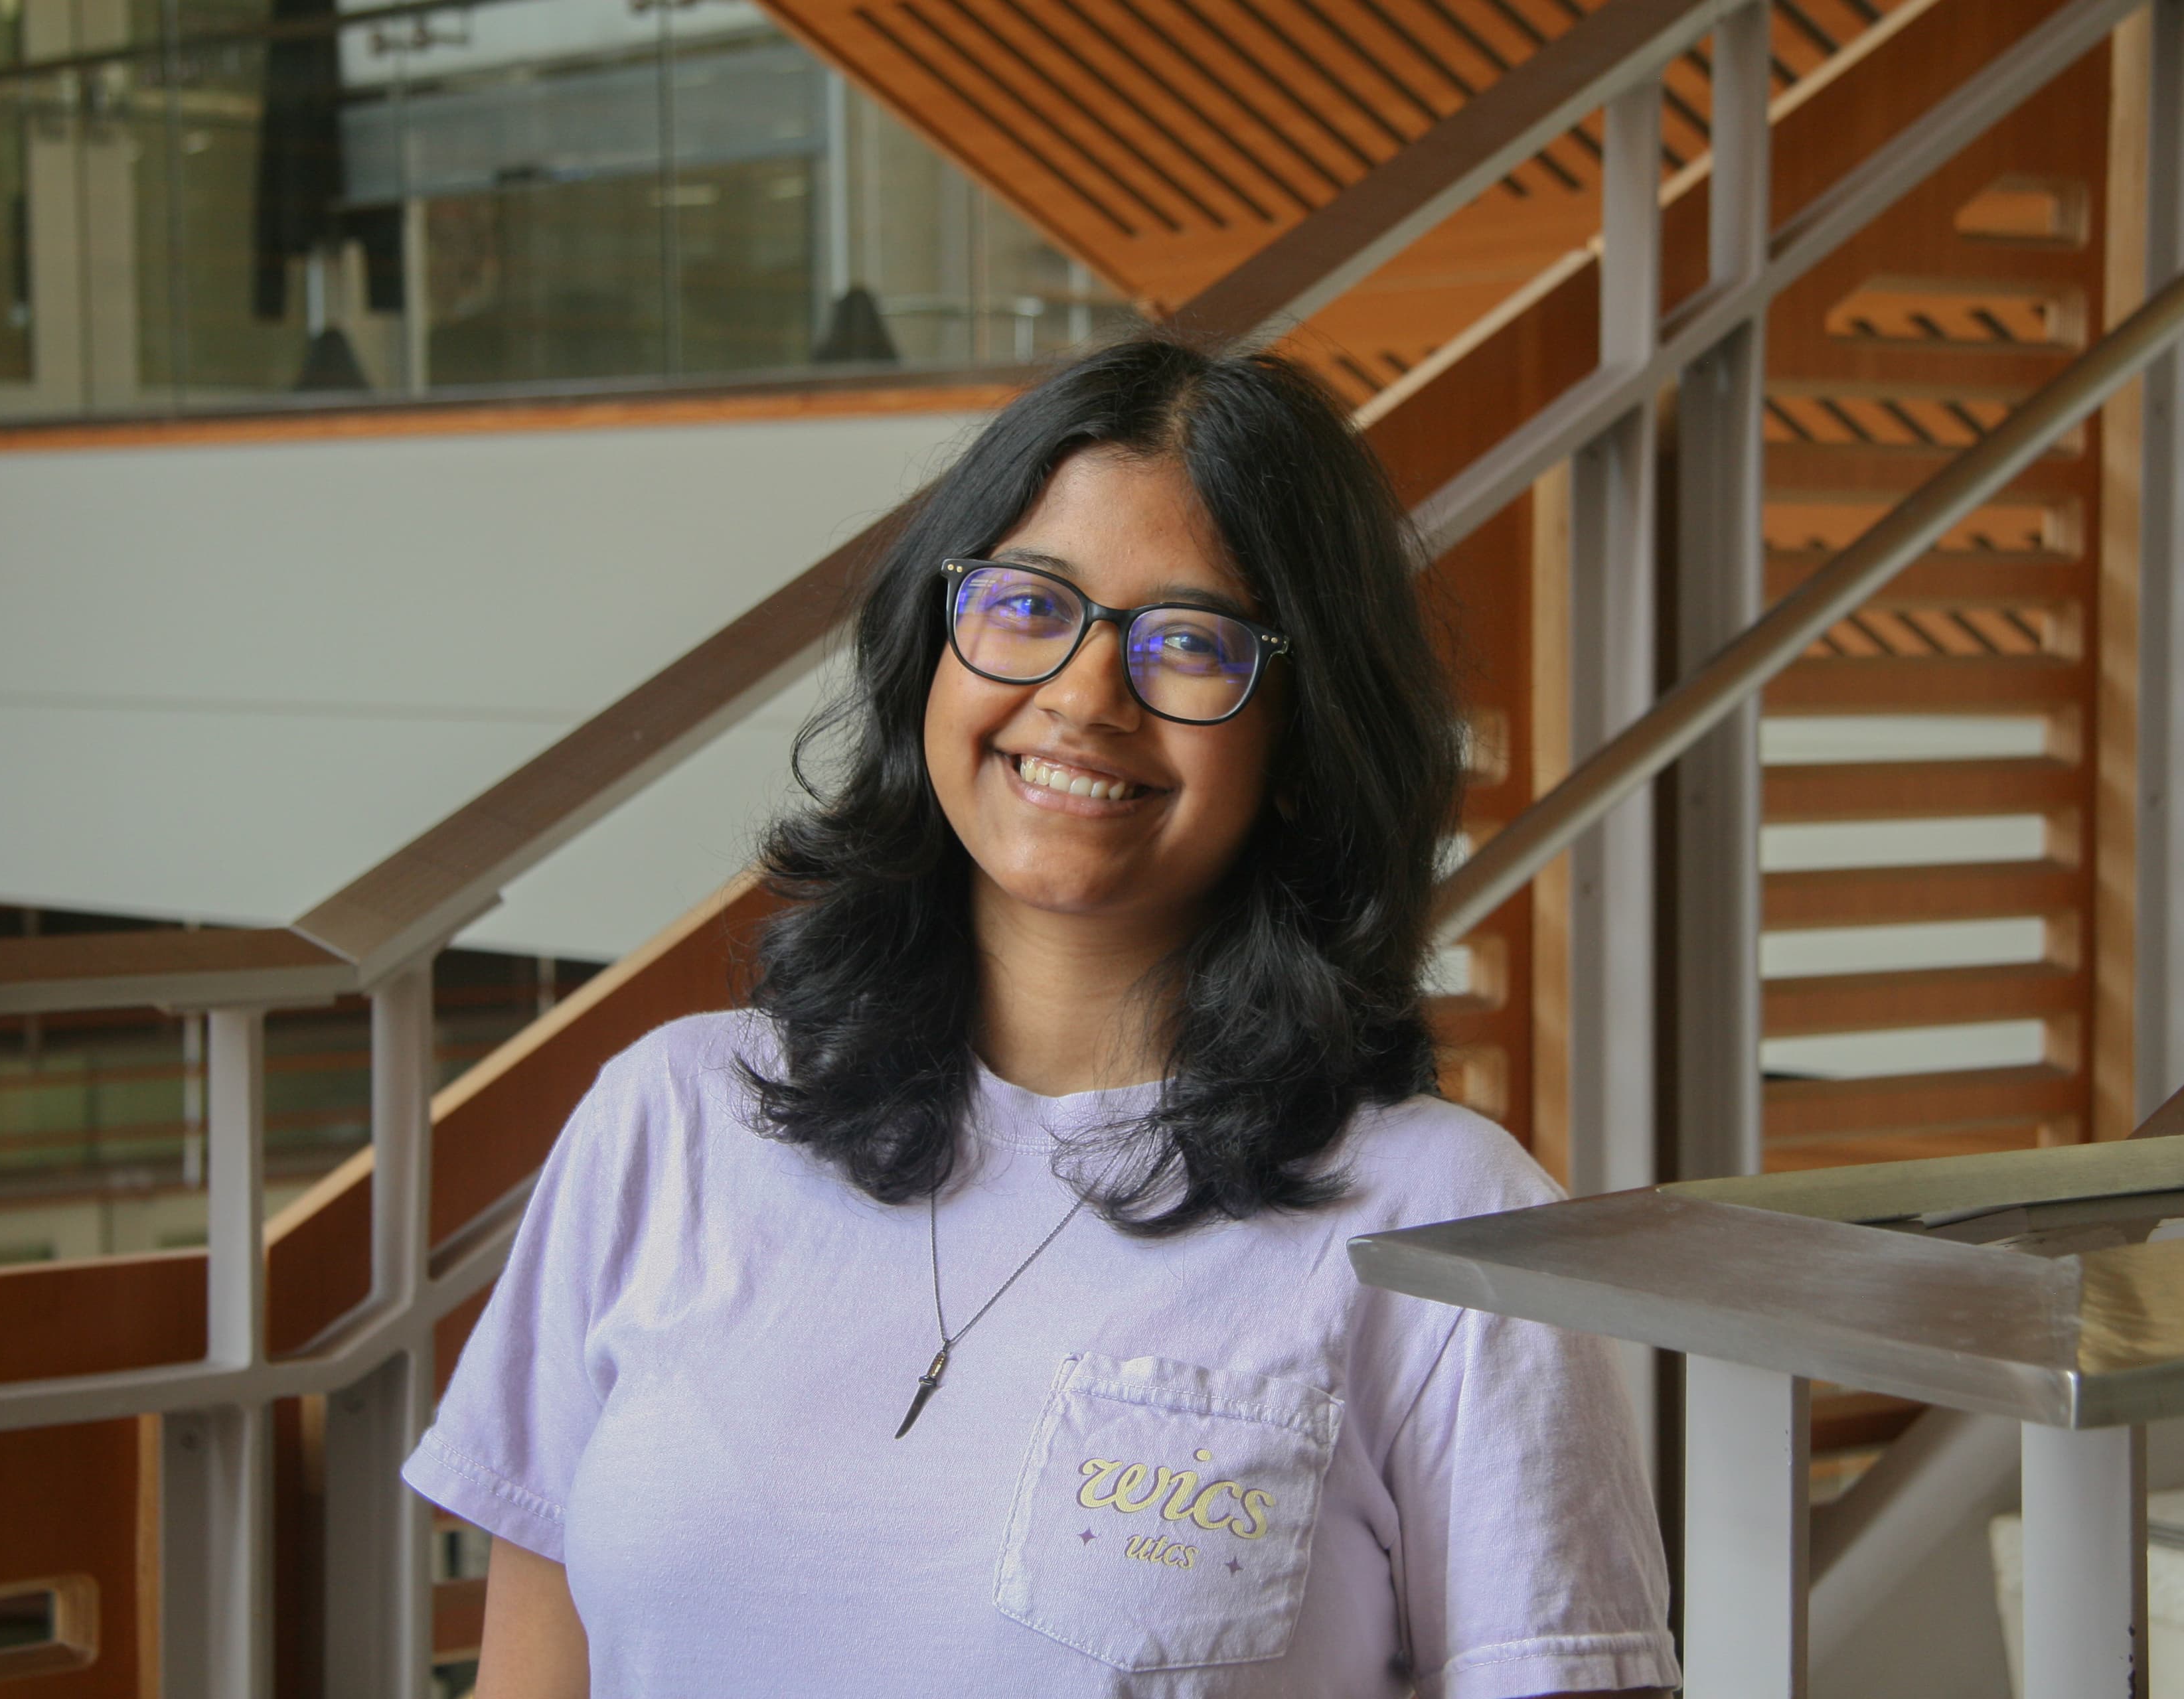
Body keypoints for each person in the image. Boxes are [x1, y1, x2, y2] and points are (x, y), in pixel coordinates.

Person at [403, 335, 1679, 1697]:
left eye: (1189, 641)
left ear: (1303, 743)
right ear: (930, 654)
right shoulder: (665, 1121)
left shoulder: (1448, 1232)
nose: (1083, 694)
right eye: (1029, 605)